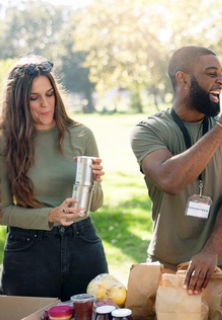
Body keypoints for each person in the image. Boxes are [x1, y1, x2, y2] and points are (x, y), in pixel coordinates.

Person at [130, 46, 222, 295]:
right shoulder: (148, 130)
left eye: (221, 73)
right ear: (182, 78)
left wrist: (211, 251)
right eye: (211, 73)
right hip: (169, 268)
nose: (220, 80)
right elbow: (169, 179)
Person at [0, 55, 108, 301]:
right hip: (28, 249)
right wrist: (50, 216)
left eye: (49, 94)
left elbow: (95, 204)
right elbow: (2, 211)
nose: (46, 105)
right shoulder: (5, 142)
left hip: (83, 243)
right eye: (34, 98)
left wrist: (93, 182)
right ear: (18, 101)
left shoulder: (81, 135)